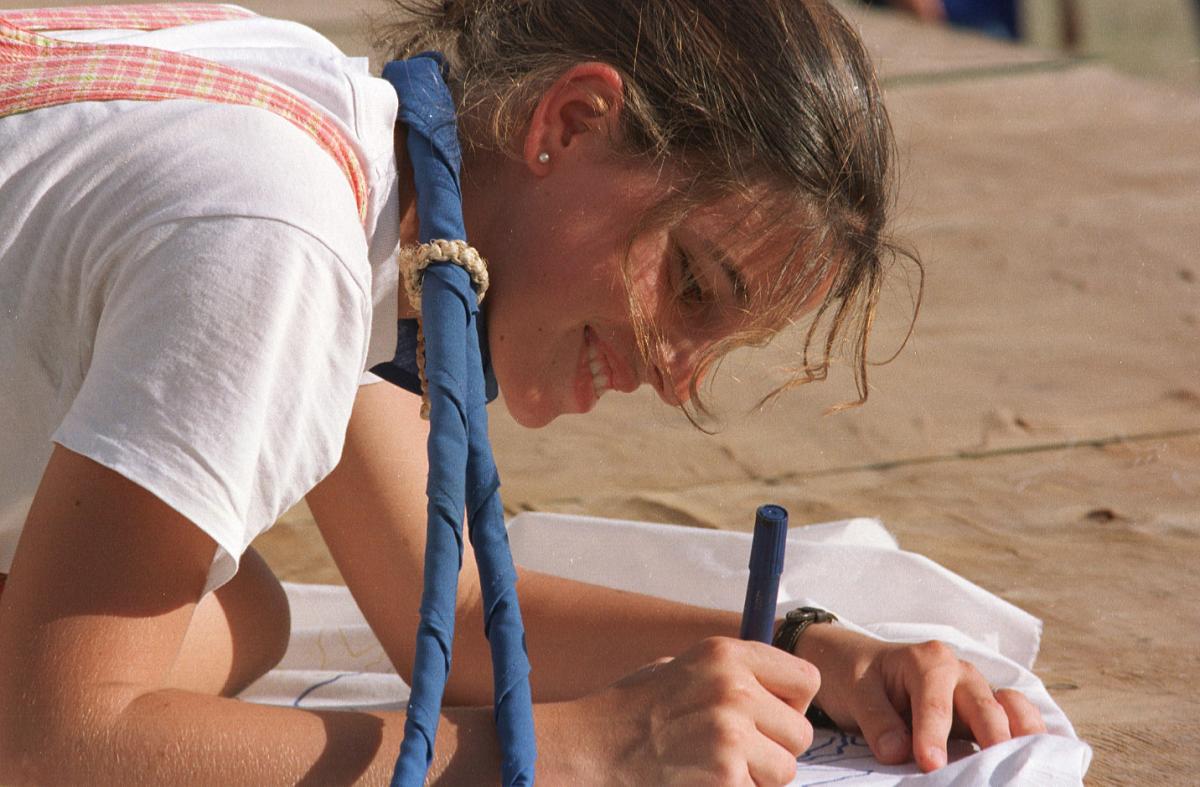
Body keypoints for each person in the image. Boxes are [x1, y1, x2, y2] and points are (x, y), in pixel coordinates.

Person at [0, 1, 1048, 783]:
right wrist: (580, 747)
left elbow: (442, 603)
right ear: (569, 121)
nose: (674, 376)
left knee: (244, 610)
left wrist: (807, 650)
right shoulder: (284, 236)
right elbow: (54, 741)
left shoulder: (342, 137)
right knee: (177, 635)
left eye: (713, 348)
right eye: (691, 284)